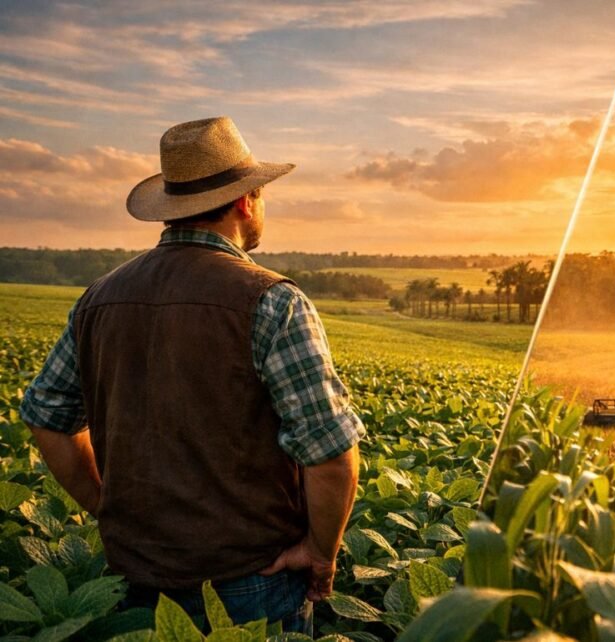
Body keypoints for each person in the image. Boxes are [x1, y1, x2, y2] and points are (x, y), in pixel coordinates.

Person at [19, 117, 363, 632]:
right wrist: (320, 550)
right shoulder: (272, 300)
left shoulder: (100, 297)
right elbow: (330, 455)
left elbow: (47, 418)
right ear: (246, 201)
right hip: (251, 578)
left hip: (135, 571)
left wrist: (103, 505)